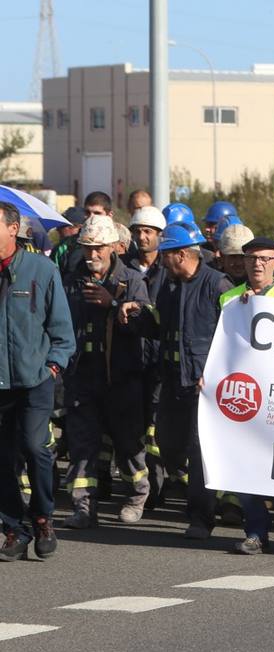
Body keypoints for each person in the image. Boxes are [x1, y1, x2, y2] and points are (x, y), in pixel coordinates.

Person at [122, 222, 231, 540]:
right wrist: (134, 315)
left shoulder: (217, 285)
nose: (160, 260)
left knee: (199, 452)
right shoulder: (168, 286)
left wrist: (217, 376)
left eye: (165, 254)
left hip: (205, 388)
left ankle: (201, 517)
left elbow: (236, 336)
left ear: (181, 254)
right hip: (171, 383)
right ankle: (199, 495)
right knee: (169, 447)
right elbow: (159, 325)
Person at [218, 237, 274, 554]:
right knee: (245, 466)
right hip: (244, 394)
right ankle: (256, 532)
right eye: (252, 258)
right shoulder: (230, 298)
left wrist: (262, 308)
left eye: (265, 258)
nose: (258, 264)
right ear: (243, 263)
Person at [59, 215, 151, 529]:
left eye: (98, 248)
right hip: (82, 376)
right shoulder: (71, 279)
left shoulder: (131, 280)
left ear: (113, 247)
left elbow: (145, 325)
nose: (92, 255)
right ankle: (84, 508)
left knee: (127, 445)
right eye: (87, 248)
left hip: (121, 378)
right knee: (82, 446)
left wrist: (114, 304)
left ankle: (137, 495)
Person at [0, 202, 75, 562]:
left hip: (34, 381)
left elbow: (62, 331)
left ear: (13, 229)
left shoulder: (41, 269)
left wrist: (53, 368)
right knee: (1, 460)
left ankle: (43, 517)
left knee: (34, 447)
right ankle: (15, 528)